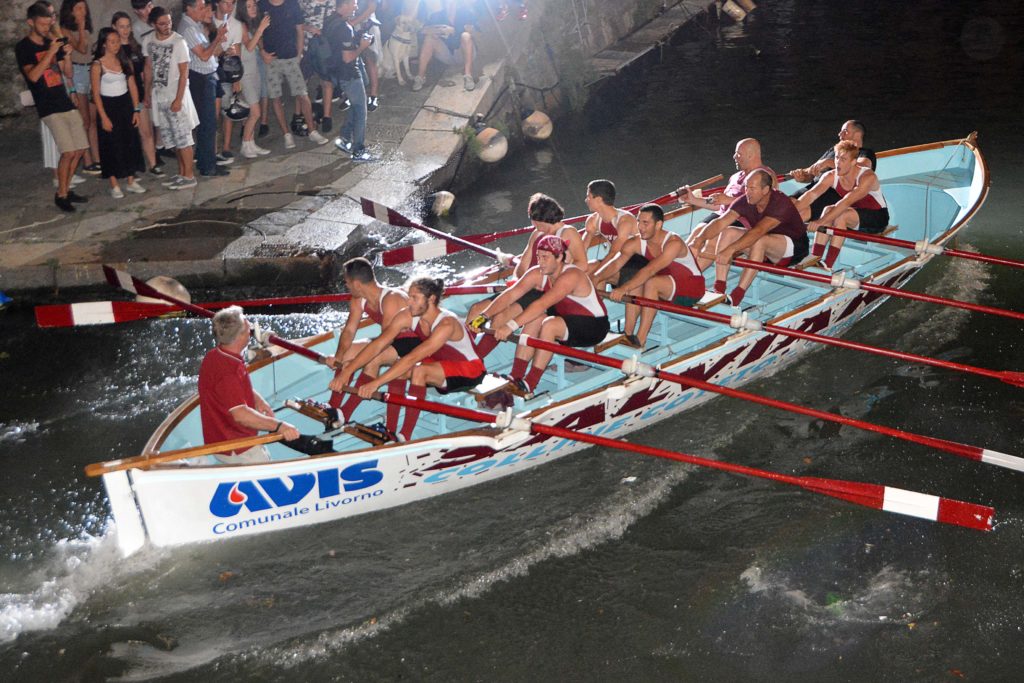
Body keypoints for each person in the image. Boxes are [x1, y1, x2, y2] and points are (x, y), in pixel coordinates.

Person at [338, 277, 486, 442]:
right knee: (399, 370)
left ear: (431, 299)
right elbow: (379, 344)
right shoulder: (407, 315)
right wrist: (347, 372)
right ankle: (390, 431)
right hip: (439, 363)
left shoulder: (446, 324)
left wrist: (376, 383)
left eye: (414, 298)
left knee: (418, 371)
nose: (408, 302)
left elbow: (412, 358)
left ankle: (404, 436)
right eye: (409, 296)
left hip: (470, 370)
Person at [477, 234, 610, 397]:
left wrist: (510, 326)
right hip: (567, 320)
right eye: (538, 257)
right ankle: (515, 376)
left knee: (549, 324)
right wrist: (483, 316)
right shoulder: (537, 273)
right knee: (536, 317)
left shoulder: (571, 276)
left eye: (545, 257)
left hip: (594, 327)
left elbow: (542, 304)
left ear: (559, 257)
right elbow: (511, 294)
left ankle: (530, 384)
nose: (540, 262)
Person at [198, 306, 334, 463]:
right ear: (240, 336)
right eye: (247, 326)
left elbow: (232, 390)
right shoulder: (229, 372)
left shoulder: (215, 356)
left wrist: (258, 400)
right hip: (238, 447)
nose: (251, 328)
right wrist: (279, 426)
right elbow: (241, 415)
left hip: (222, 439)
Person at [465, 192, 588, 358]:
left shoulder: (568, 232)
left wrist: (550, 277)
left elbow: (582, 264)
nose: (532, 223)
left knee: (501, 318)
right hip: (525, 286)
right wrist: (516, 280)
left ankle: (474, 362)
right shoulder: (536, 234)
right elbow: (522, 264)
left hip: (545, 291)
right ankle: (464, 354)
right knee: (476, 309)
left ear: (539, 218)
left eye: (532, 218)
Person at [324, 258, 418, 427]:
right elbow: (349, 331)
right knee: (347, 353)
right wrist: (339, 358)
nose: (346, 286)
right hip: (389, 340)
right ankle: (333, 407)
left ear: (357, 284)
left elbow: (383, 343)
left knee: (373, 359)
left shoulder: (392, 299)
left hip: (412, 342)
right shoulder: (357, 299)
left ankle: (345, 412)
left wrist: (350, 368)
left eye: (347, 282)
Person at [596, 203, 704, 348]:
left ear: (658, 224)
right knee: (635, 278)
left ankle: (640, 340)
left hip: (691, 289)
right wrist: (596, 278)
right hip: (666, 285)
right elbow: (615, 264)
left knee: (649, 282)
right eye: (638, 221)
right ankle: (624, 333)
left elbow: (650, 270)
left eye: (645, 223)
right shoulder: (635, 242)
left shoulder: (674, 243)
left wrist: (623, 289)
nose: (640, 227)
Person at [697, 169, 810, 307]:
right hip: (765, 246)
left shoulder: (780, 203)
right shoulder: (745, 200)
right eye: (746, 187)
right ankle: (719, 289)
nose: (747, 192)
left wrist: (730, 250)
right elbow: (721, 222)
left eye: (752, 188)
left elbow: (758, 231)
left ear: (765, 190)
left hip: (794, 250)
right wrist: (698, 241)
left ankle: (737, 296)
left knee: (759, 239)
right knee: (728, 232)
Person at [18, 1, 90, 212]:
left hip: (64, 100)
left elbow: (67, 73)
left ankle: (66, 189)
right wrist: (50, 52)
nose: (45, 28)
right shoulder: (24, 47)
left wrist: (66, 54)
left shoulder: (52, 41)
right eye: (42, 24)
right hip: (48, 106)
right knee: (68, 152)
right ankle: (61, 194)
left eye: (48, 24)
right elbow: (33, 76)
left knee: (80, 148)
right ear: (31, 22)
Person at [679, 138, 774, 271]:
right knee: (697, 232)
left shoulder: (766, 176)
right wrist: (693, 200)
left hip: (743, 220)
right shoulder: (735, 177)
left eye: (738, 154)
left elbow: (764, 205)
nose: (734, 156)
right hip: (722, 215)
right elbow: (719, 203)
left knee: (712, 241)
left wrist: (728, 200)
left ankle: (688, 276)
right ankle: (675, 268)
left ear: (750, 155)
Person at [795, 140, 890, 271]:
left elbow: (845, 202)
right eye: (837, 158)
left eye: (843, 159)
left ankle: (828, 265)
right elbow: (811, 195)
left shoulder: (867, 177)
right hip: (854, 213)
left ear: (853, 162)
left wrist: (819, 222)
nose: (837, 163)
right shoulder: (831, 176)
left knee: (841, 214)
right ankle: (815, 258)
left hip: (877, 218)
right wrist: (789, 215)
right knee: (828, 209)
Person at [259, 0, 330, 149]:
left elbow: (299, 29)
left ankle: (312, 130)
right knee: (275, 97)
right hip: (271, 58)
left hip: (290, 57)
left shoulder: (292, 4)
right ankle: (286, 134)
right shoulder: (262, 4)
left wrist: (299, 54)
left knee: (302, 93)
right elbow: (257, 30)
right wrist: (262, 51)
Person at [143, 6, 199, 190]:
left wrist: (178, 99)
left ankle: (189, 176)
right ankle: (182, 173)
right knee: (173, 139)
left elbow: (184, 73)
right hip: (160, 96)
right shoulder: (148, 40)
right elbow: (148, 68)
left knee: (183, 138)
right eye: (162, 23)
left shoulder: (179, 42)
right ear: (153, 24)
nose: (167, 26)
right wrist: (146, 93)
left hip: (176, 96)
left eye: (169, 22)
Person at [90, 27, 146, 198]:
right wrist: (103, 117)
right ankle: (114, 183)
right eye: (112, 42)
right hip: (108, 106)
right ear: (104, 44)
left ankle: (131, 179)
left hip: (125, 104)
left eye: (117, 42)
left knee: (130, 141)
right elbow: (96, 94)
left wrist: (136, 109)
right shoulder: (97, 65)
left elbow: (132, 85)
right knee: (111, 144)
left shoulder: (124, 61)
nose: (116, 45)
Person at [179, 0, 231, 178]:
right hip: (200, 79)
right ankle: (207, 166)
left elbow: (209, 51)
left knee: (208, 123)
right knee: (207, 123)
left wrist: (218, 41)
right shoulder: (188, 29)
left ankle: (207, 161)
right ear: (189, 8)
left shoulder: (196, 25)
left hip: (207, 75)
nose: (204, 10)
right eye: (200, 7)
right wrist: (217, 38)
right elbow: (202, 55)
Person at [789, 120, 876, 220]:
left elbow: (862, 168)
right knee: (787, 204)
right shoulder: (833, 150)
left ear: (857, 134)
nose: (840, 134)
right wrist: (802, 176)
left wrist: (828, 162)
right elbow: (811, 173)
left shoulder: (865, 153)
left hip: (833, 193)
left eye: (845, 131)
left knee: (802, 212)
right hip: (814, 187)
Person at [113, 11, 161, 178]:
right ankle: (130, 169)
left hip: (138, 96)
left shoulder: (136, 47)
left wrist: (146, 93)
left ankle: (153, 164)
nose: (125, 30)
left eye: (128, 26)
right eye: (121, 27)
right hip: (121, 97)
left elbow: (144, 73)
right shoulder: (113, 49)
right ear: (114, 27)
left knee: (146, 131)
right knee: (127, 135)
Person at [324, 0, 374, 162]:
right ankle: (358, 150)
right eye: (354, 3)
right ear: (344, 4)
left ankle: (345, 138)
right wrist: (363, 46)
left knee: (356, 103)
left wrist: (356, 39)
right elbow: (347, 58)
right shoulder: (344, 28)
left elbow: (338, 46)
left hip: (336, 72)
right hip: (349, 74)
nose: (356, 7)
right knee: (361, 110)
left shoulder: (330, 20)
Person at [59, 0, 100, 174]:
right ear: (70, 11)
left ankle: (97, 158)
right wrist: (81, 27)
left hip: (90, 70)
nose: (82, 11)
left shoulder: (87, 27)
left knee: (93, 119)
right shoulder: (65, 30)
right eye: (78, 8)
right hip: (77, 71)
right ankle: (87, 160)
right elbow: (82, 48)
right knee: (84, 120)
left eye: (84, 8)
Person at [582, 178, 641, 282]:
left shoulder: (625, 220)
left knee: (597, 274)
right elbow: (582, 249)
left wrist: (596, 275)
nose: (586, 200)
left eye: (588, 196)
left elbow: (614, 253)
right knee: (588, 269)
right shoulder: (592, 220)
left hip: (637, 264)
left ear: (599, 199)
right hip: (616, 263)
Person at [234, 0, 273, 157]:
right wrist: (261, 29)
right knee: (255, 112)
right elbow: (249, 47)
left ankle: (251, 143)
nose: (253, 8)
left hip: (254, 69)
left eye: (254, 5)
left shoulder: (251, 23)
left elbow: (257, 45)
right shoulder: (241, 25)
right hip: (245, 73)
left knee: (253, 111)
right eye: (248, 6)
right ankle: (245, 145)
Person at [413, 0, 477, 92]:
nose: (450, 3)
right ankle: (420, 77)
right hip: (447, 55)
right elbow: (422, 30)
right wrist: (436, 31)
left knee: (466, 36)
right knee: (429, 38)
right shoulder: (436, 15)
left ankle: (468, 75)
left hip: (464, 53)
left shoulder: (465, 13)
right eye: (448, 2)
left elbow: (471, 31)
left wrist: (453, 31)